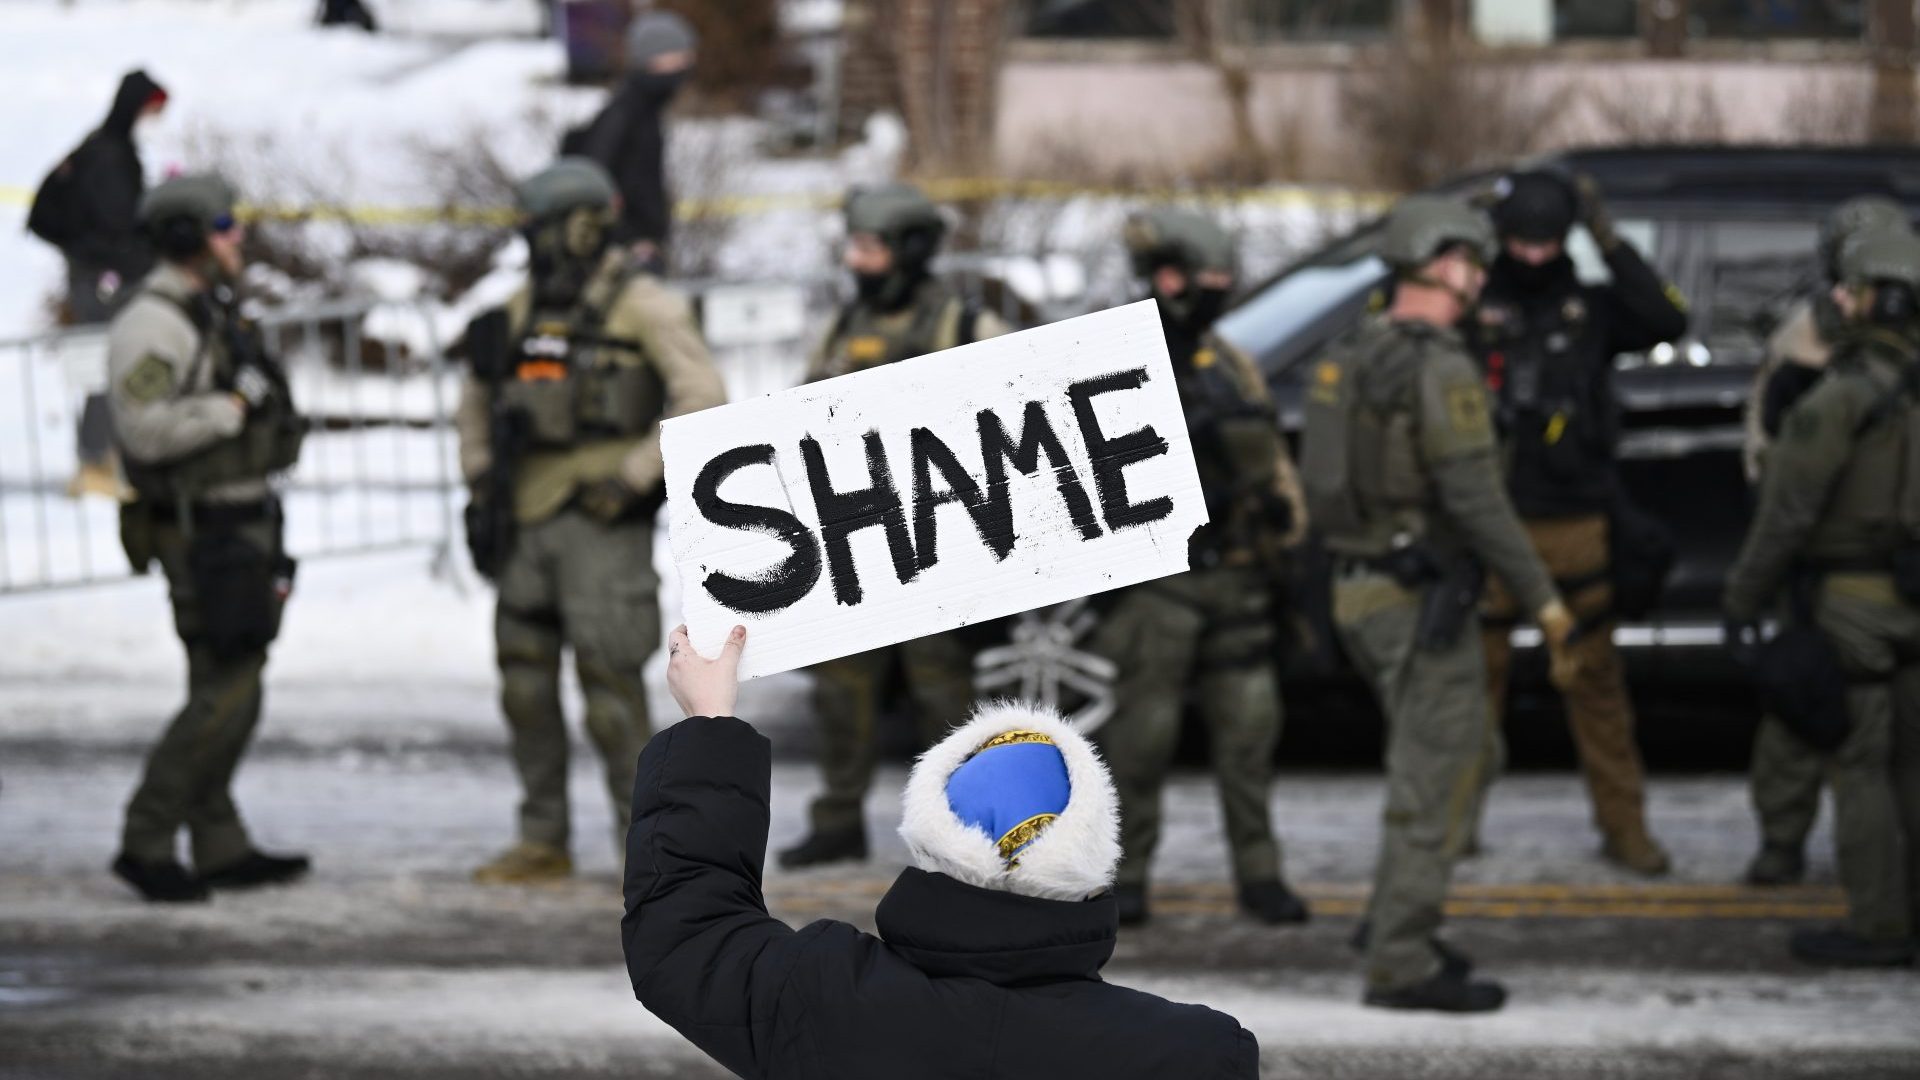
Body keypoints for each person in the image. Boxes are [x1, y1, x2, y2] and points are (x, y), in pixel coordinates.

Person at [623, 623, 1261, 1079]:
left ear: (929, 840)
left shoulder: (825, 999)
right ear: (1094, 859)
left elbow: (688, 931)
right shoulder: (1199, 1054)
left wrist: (710, 721)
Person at [1300, 194, 1578, 1012]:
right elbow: (1479, 502)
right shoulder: (1439, 367)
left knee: (1468, 759)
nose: (1480, 278)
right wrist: (1547, 604)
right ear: (1451, 264)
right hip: (1417, 599)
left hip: (1361, 591)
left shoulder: (1351, 352)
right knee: (1436, 779)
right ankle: (1400, 960)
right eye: (1474, 263)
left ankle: (1395, 914)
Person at [455, 158, 726, 884]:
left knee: (611, 690)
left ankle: (649, 855)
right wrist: (480, 477)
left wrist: (634, 475)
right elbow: (475, 398)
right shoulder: (517, 311)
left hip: (602, 521)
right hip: (526, 516)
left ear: (579, 227)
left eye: (540, 228)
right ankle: (542, 836)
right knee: (523, 683)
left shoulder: (644, 305)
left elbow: (701, 396)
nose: (531, 242)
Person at [776, 181, 1011, 870]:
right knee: (841, 690)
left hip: (934, 539)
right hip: (857, 540)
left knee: (941, 691)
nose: (857, 261)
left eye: (870, 248)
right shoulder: (842, 326)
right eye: (852, 247)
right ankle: (839, 817)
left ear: (908, 251)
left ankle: (962, 827)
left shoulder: (964, 326)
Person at [1463, 169, 1690, 876]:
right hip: (1489, 526)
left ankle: (1626, 829)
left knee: (1596, 687)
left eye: (1548, 242)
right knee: (1470, 690)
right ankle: (1449, 829)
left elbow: (1666, 320)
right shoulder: (1471, 301)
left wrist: (1607, 237)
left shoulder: (1591, 307)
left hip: (1577, 524)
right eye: (1519, 243)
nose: (1532, 258)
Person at [1087, 207, 1309, 927]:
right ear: (1171, 277)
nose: (1219, 290)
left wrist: (1285, 526)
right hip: (1157, 586)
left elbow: (1273, 461)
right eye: (1208, 278)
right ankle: (1125, 876)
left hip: (1239, 578)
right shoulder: (1109, 356)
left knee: (1250, 738)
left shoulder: (1229, 361)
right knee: (1139, 742)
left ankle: (1260, 872)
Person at [106, 174, 309, 903]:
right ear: (188, 236)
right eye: (223, 224)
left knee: (233, 687)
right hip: (204, 532)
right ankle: (146, 836)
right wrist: (229, 409)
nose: (237, 237)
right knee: (226, 689)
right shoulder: (154, 324)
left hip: (240, 523)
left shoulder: (208, 309)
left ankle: (217, 840)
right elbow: (145, 430)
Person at [1721, 229, 1920, 968]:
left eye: (1851, 291)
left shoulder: (1840, 399)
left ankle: (1879, 925)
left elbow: (1786, 514)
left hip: (1854, 599)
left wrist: (1743, 602)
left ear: (1876, 300)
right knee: (1913, 761)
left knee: (1861, 764)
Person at [30, 70, 168, 500]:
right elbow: (114, 229)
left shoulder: (107, 147)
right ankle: (95, 462)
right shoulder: (109, 156)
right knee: (107, 365)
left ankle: (108, 457)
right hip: (103, 280)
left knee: (117, 364)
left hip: (102, 274)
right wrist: (148, 258)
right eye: (153, 111)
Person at [564, 9, 696, 270]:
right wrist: (629, 238)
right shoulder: (626, 112)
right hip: (626, 253)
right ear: (654, 57)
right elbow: (593, 180)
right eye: (679, 54)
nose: (688, 62)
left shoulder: (646, 109)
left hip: (639, 247)